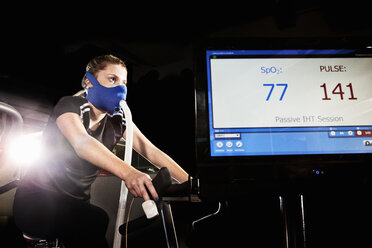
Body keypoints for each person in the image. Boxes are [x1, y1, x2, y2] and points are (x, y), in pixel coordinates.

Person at [13, 54, 189, 247]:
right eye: (112, 79)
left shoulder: (119, 120)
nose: (120, 88)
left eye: (124, 82)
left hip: (76, 205)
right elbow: (82, 142)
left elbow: (150, 150)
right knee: (95, 220)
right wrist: (129, 172)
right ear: (89, 81)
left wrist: (192, 184)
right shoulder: (70, 106)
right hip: (36, 201)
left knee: (94, 220)